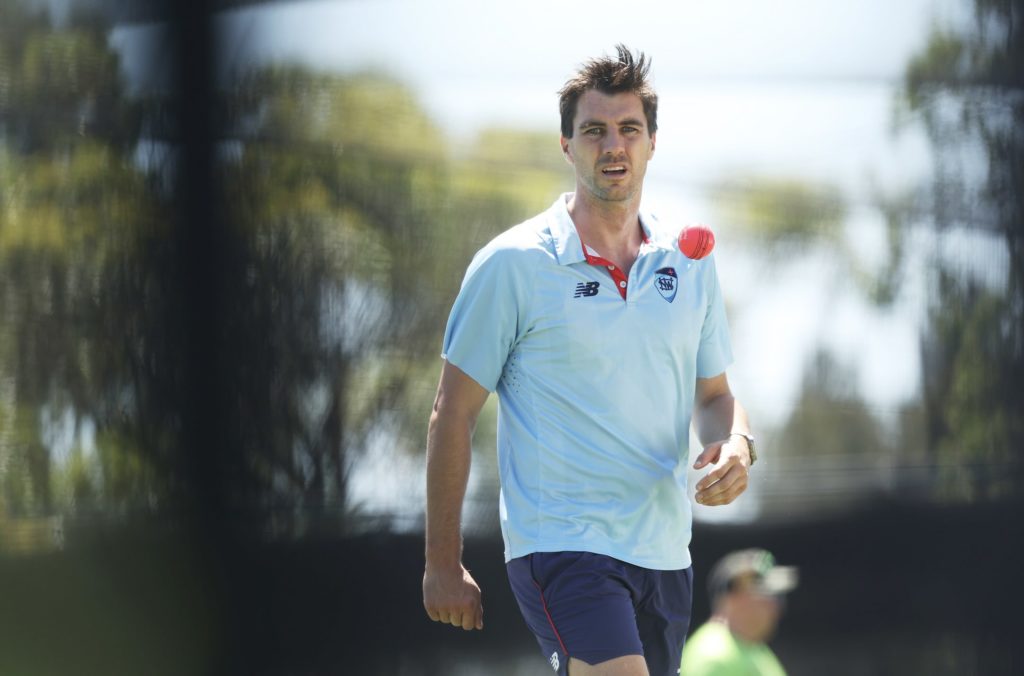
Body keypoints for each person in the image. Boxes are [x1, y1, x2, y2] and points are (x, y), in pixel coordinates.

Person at [422, 44, 756, 676]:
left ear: (653, 142)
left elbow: (714, 397)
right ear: (566, 145)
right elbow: (452, 412)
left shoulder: (688, 262)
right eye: (594, 130)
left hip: (666, 555)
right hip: (563, 547)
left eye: (629, 129)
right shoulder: (513, 264)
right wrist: (443, 562)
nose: (614, 146)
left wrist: (736, 445)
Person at [679, 549, 798, 675]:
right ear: (733, 599)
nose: (775, 606)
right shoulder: (714, 657)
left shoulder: (754, 647)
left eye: (777, 597)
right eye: (766, 595)